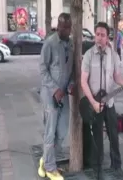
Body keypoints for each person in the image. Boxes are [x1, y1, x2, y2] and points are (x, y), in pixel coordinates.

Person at [81, 22, 123, 179]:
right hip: (95, 103)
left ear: (107, 37)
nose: (99, 37)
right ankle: (97, 170)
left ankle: (116, 165)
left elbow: (116, 76)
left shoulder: (113, 55)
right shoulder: (89, 55)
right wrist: (93, 102)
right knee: (97, 138)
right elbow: (84, 81)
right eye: (97, 34)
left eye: (102, 35)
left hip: (109, 102)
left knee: (113, 134)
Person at [38, 13, 74, 180]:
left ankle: (46, 160)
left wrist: (71, 85)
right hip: (50, 95)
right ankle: (50, 168)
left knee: (62, 131)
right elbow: (43, 69)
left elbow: (71, 69)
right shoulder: (50, 43)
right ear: (58, 26)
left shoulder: (71, 44)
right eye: (62, 27)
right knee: (50, 132)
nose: (65, 30)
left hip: (64, 96)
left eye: (68, 27)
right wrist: (54, 90)